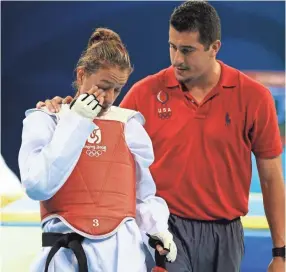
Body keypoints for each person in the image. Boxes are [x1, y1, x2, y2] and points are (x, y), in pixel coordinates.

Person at [36, 1, 285, 272]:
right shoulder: (144, 93)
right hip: (165, 230)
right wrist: (63, 110)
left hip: (226, 234)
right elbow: (98, 127)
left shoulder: (254, 97)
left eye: (187, 50)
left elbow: (271, 176)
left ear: (214, 48)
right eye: (172, 46)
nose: (177, 58)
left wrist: (280, 253)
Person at [19, 27, 177, 272]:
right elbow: (38, 185)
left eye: (118, 89)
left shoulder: (129, 125)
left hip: (123, 257)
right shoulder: (47, 119)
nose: (109, 97)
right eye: (103, 87)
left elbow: (142, 194)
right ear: (81, 76)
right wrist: (78, 121)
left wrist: (156, 230)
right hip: (66, 257)